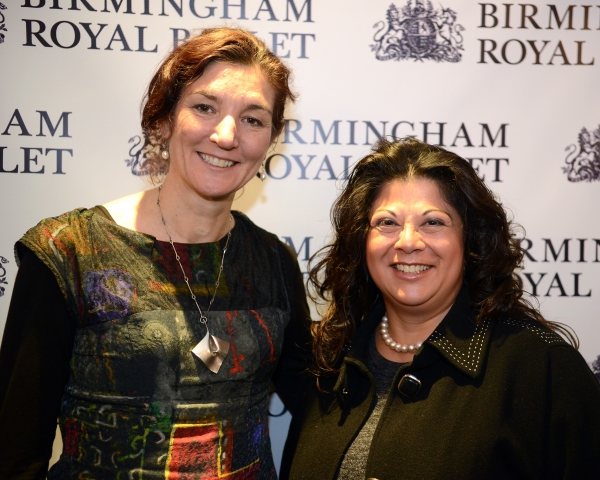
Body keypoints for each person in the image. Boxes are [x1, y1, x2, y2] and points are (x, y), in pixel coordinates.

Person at [0, 27, 311, 479]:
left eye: (253, 119)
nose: (227, 135)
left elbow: (316, 407)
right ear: (164, 120)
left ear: (271, 139)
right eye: (204, 107)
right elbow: (14, 452)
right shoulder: (69, 251)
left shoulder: (274, 262)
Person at [283, 137, 600, 480]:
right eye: (387, 223)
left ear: (470, 240)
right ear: (362, 242)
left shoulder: (542, 370)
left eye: (432, 222)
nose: (407, 241)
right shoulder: (328, 363)